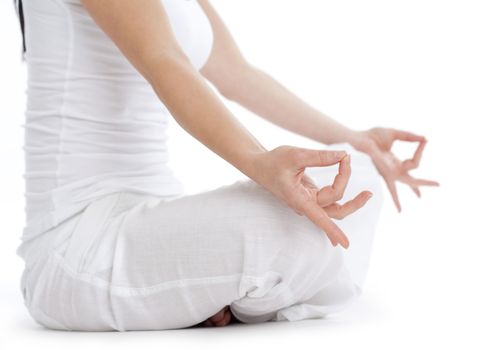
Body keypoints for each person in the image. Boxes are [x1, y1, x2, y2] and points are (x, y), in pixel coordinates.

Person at [13, 0, 438, 331]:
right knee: (284, 222)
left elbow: (237, 75)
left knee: (358, 172)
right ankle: (239, 296)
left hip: (150, 216)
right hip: (79, 246)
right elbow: (166, 62)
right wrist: (260, 163)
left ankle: (221, 294)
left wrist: (353, 138)